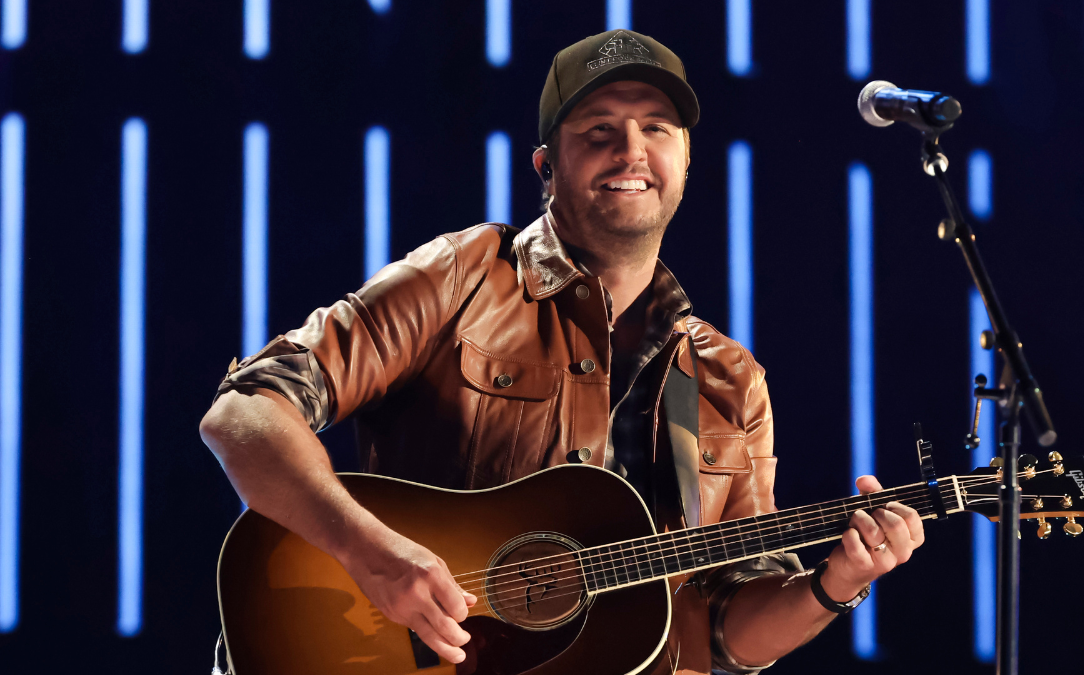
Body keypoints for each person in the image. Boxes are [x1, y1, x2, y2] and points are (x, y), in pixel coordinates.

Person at [200, 29, 924, 675]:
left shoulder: (727, 379)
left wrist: (836, 584)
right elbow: (242, 413)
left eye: (656, 128)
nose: (631, 150)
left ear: (686, 159)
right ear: (547, 165)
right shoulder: (463, 277)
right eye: (600, 129)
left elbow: (727, 633)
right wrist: (374, 553)